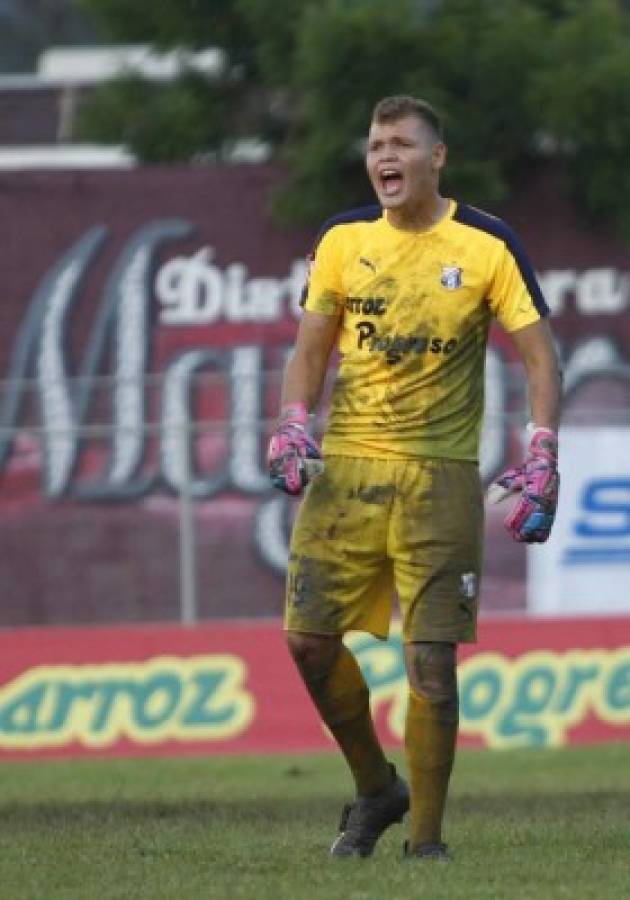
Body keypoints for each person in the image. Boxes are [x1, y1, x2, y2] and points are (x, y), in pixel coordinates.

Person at [267, 95, 561, 861]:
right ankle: (376, 789)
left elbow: (540, 354)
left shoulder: (489, 243)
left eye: (400, 143)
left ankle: (425, 845)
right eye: (374, 145)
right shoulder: (341, 239)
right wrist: (294, 419)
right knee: (306, 642)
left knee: (430, 663)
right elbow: (310, 347)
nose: (384, 156)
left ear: (437, 157)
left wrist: (542, 453)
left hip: (439, 479)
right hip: (349, 473)